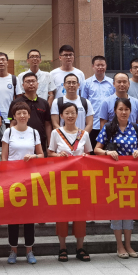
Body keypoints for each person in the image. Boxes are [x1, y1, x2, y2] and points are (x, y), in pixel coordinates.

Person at [94, 98, 138, 259]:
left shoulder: (136, 128)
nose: (123, 112)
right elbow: (96, 149)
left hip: (131, 176)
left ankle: (128, 244)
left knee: (129, 210)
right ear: (115, 111)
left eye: (126, 109)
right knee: (116, 210)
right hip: (114, 175)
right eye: (120, 109)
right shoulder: (109, 127)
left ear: (131, 111)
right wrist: (107, 152)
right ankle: (119, 245)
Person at [47, 101, 95, 262]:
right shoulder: (56, 133)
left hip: (80, 180)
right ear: (61, 115)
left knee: (80, 213)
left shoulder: (84, 134)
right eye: (67, 113)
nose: (70, 116)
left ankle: (80, 247)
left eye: (73, 113)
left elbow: (89, 154)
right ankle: (62, 247)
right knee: (62, 214)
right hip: (62, 180)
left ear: (77, 115)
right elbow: (50, 153)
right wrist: (58, 155)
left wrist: (86, 157)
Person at [2, 101, 45, 264]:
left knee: (29, 216)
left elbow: (42, 155)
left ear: (29, 115)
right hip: (12, 180)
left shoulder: (34, 132)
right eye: (18, 113)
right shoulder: (8, 132)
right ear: (14, 116)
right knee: (13, 217)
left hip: (29, 180)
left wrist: (34, 156)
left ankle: (29, 250)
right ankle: (13, 250)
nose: (22, 115)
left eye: (24, 113)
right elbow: (4, 157)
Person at [9, 71, 52, 152]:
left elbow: (48, 124)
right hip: (21, 143)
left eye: (33, 81)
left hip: (40, 141)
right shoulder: (16, 102)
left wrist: (50, 145)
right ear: (23, 85)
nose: (31, 84)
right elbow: (12, 122)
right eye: (28, 82)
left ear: (37, 84)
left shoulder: (44, 103)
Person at [79, 55, 115, 143]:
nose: (100, 67)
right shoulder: (86, 83)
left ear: (106, 66)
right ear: (93, 66)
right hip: (92, 123)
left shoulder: (112, 83)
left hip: (109, 123)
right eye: (98, 65)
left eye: (102, 65)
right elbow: (83, 103)